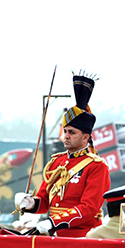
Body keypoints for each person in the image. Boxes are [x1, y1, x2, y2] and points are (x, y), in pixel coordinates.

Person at [15, 74, 110, 237]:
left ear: (85, 137)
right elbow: (44, 201)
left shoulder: (96, 166)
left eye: (72, 132)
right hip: (54, 232)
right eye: (65, 131)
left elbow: (89, 208)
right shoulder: (56, 162)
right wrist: (30, 203)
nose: (65, 136)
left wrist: (54, 222)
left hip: (84, 236)